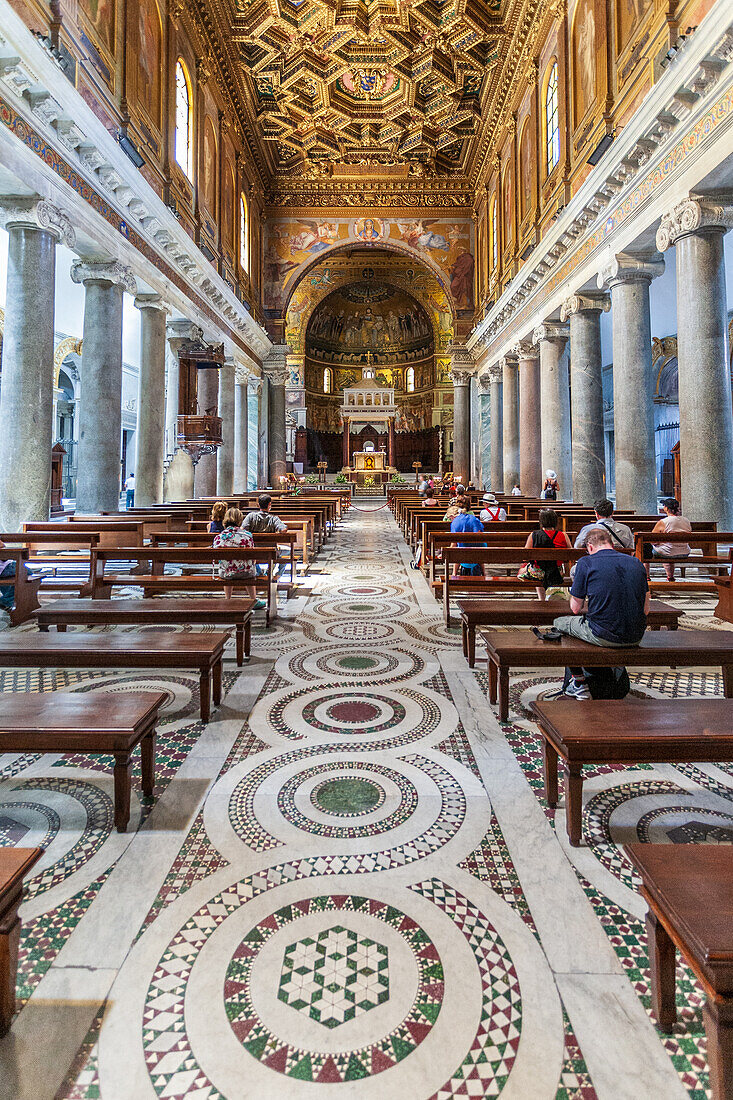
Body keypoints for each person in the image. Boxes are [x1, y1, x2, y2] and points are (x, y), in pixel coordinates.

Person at [554, 527, 650, 699]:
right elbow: (646, 609)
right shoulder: (636, 562)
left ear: (590, 547)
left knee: (560, 623)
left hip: (603, 634)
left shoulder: (586, 562)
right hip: (636, 635)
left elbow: (575, 608)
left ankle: (579, 682)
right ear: (611, 544)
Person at [213, 507, 265, 608]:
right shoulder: (247, 535)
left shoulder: (219, 537)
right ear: (240, 520)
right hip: (246, 573)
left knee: (227, 565)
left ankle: (228, 599)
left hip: (226, 573)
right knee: (248, 567)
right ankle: (253, 600)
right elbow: (253, 557)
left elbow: (217, 558)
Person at [524, 508, 572, 601]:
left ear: (541, 521)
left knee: (525, 570)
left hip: (538, 572)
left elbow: (526, 555)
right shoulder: (563, 535)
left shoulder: (534, 535)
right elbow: (570, 554)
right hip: (557, 571)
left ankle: (541, 599)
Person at [648, 497, 692, 581]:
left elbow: (652, 539)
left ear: (666, 508)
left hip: (668, 552)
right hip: (684, 552)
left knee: (645, 547)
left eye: (664, 505)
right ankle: (670, 577)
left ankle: (646, 577)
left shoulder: (664, 522)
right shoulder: (686, 520)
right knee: (668, 546)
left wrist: (659, 542)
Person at [449, 498, 484, 577]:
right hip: (477, 551)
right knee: (479, 548)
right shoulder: (474, 519)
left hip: (462, 550)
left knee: (459, 547)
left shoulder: (455, 521)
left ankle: (454, 573)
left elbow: (454, 542)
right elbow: (480, 536)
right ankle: (484, 573)